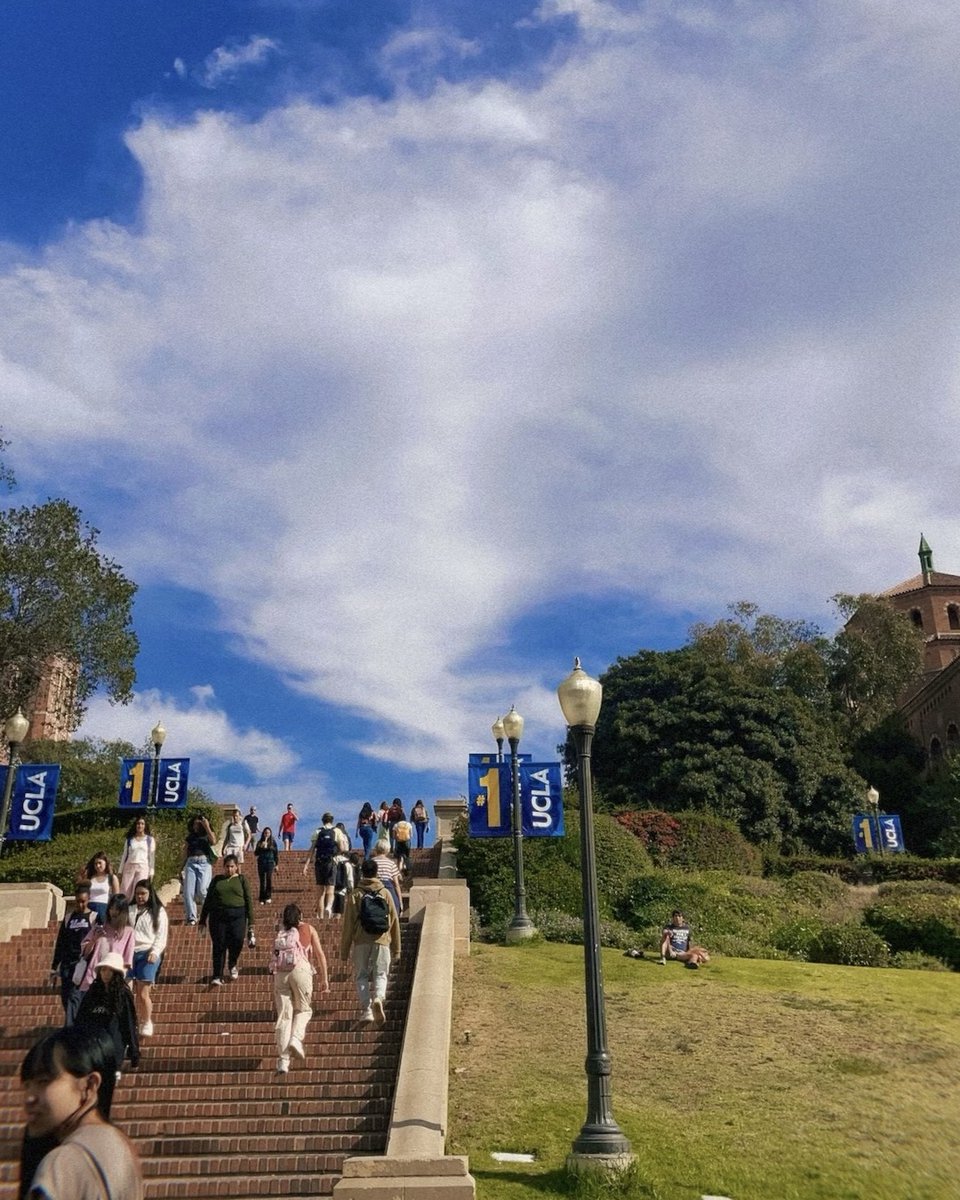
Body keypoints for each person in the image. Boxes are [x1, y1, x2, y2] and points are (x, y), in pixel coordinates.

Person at [19, 1025, 143, 1200]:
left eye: (43, 1081)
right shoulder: (121, 1146)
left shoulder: (62, 1162)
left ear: (89, 1086)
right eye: (27, 1086)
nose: (29, 1098)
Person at [340, 858, 401, 1025]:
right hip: (382, 939)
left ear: (362, 873)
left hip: (361, 940)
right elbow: (394, 920)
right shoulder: (385, 893)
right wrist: (397, 948)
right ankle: (379, 998)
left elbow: (348, 924)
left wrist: (344, 950)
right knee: (381, 973)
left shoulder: (356, 894)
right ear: (376, 873)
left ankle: (367, 1010)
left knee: (361, 975)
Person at [270, 903, 329, 1075]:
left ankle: (283, 1060)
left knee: (284, 1016)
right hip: (301, 969)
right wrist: (324, 978)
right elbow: (319, 954)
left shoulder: (282, 933)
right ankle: (296, 1038)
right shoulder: (308, 929)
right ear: (300, 916)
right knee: (304, 1010)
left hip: (281, 973)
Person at [75, 953, 140, 1079]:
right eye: (103, 969)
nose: (106, 973)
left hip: (113, 1046)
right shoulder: (92, 992)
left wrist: (134, 1053)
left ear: (116, 973)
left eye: (110, 970)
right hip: (94, 1046)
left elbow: (129, 1024)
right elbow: (81, 1019)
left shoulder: (123, 995)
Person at [198, 854, 255, 986]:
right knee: (219, 945)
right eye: (227, 866)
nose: (229, 869)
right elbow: (208, 900)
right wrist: (202, 919)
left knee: (237, 940)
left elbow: (249, 901)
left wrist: (251, 922)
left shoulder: (241, 880)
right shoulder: (217, 880)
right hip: (218, 916)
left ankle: (232, 963)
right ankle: (217, 975)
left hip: (238, 915)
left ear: (236, 867)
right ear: (223, 867)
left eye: (232, 866)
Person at [48, 883, 98, 1027]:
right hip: (66, 964)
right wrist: (54, 967)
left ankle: (71, 1030)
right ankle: (78, 1025)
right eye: (78, 901)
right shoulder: (69, 918)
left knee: (73, 996)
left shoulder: (94, 917)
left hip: (82, 963)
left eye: (83, 901)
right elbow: (61, 942)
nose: (80, 904)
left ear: (88, 900)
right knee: (66, 997)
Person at [128, 881, 168, 1038]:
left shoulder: (158, 912)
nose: (140, 897)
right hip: (129, 953)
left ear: (150, 894)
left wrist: (155, 951)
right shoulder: (130, 910)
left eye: (143, 893)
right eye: (137, 893)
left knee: (143, 992)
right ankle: (130, 1021)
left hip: (147, 953)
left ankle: (147, 1021)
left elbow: (161, 935)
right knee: (127, 989)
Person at [77, 896, 135, 994]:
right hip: (94, 974)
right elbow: (85, 952)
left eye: (117, 909)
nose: (113, 912)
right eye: (111, 908)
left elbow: (127, 961)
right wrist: (94, 939)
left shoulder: (129, 932)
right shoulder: (99, 928)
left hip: (115, 977)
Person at [304, 814, 348, 919]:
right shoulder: (337, 831)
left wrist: (306, 865)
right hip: (331, 862)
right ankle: (328, 907)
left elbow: (312, 849)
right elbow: (342, 848)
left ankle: (320, 915)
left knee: (320, 892)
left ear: (322, 821)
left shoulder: (318, 831)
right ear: (332, 820)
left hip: (319, 862)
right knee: (330, 888)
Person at [181, 813, 216, 926]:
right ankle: (191, 917)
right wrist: (181, 867)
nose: (197, 824)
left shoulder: (207, 834)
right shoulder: (190, 837)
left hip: (204, 863)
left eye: (199, 822)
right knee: (188, 892)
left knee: (202, 891)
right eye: (195, 822)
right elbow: (185, 852)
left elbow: (213, 841)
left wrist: (207, 826)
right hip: (191, 863)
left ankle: (207, 914)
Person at [117, 817, 156, 900]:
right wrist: (120, 871)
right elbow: (124, 855)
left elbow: (151, 857)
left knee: (138, 890)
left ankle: (135, 910)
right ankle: (124, 909)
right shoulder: (130, 840)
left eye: (142, 824)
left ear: (145, 826)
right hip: (129, 866)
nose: (140, 825)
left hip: (143, 867)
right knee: (125, 890)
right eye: (138, 823)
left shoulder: (149, 840)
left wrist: (151, 873)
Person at [78, 853, 119, 924]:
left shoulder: (111, 878)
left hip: (104, 907)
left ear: (106, 863)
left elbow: (117, 896)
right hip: (89, 907)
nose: (98, 866)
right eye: (95, 864)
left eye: (100, 863)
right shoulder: (89, 877)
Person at [371, 838, 402, 916]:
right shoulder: (391, 863)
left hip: (374, 889)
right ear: (387, 849)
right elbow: (396, 884)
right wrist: (400, 902)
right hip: (389, 889)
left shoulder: (371, 862)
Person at [254, 826, 280, 904]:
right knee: (262, 881)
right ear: (263, 834)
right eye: (265, 833)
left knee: (269, 878)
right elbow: (256, 853)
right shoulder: (260, 842)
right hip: (261, 862)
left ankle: (268, 896)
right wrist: (261, 846)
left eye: (268, 833)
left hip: (270, 862)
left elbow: (276, 854)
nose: (267, 834)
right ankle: (262, 898)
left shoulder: (273, 842)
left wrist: (277, 864)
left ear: (270, 834)